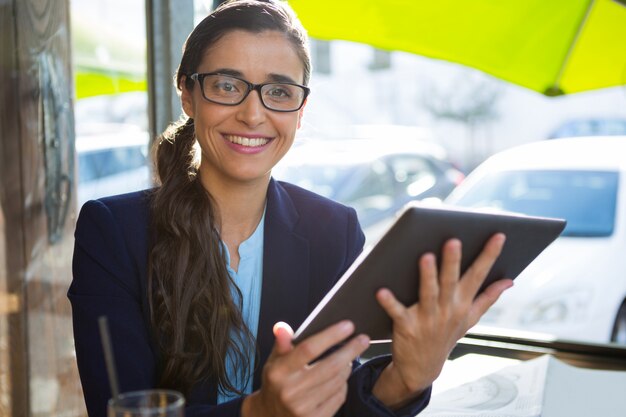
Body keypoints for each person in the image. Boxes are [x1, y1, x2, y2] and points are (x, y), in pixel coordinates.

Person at [68, 1, 513, 416]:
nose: (253, 114)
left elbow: (341, 402)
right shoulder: (113, 232)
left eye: (278, 92)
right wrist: (257, 411)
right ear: (188, 93)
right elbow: (122, 407)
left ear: (300, 111)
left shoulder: (333, 231)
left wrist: (408, 377)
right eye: (227, 85)